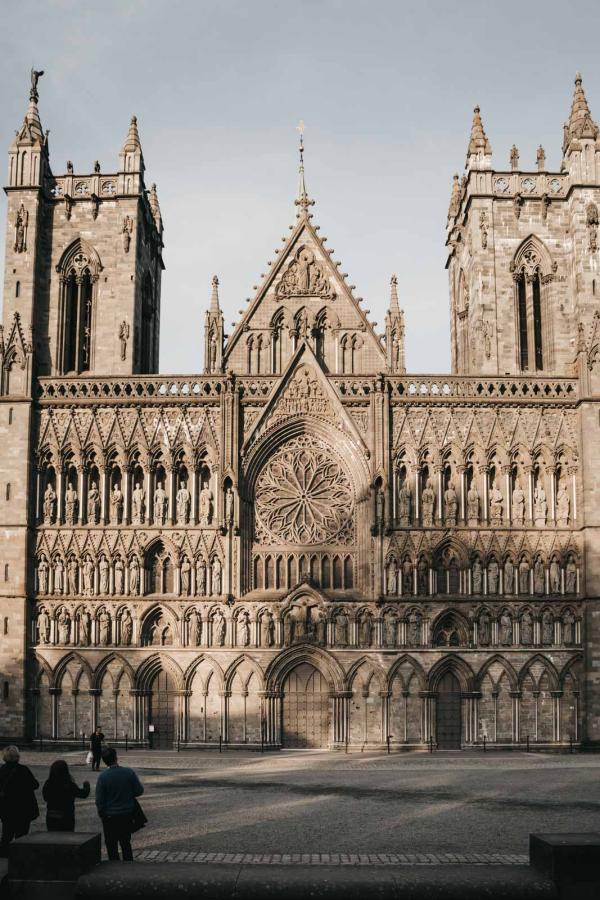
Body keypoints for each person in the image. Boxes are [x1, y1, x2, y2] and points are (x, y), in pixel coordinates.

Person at [95, 747, 144, 862]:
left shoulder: (103, 777)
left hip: (110, 816)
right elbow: (139, 791)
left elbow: (99, 800)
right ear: (116, 758)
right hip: (126, 814)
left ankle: (114, 868)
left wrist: (102, 814)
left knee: (111, 846)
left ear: (104, 761)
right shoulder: (128, 772)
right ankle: (128, 868)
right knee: (126, 843)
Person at [0, 746, 39, 857]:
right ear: (17, 756)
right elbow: (35, 785)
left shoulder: (1, 771)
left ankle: (4, 858)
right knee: (21, 836)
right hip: (23, 809)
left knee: (6, 834)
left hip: (6, 809)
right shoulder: (23, 770)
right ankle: (19, 859)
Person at [42, 760, 90, 832]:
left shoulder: (48, 783)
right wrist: (86, 786)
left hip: (52, 815)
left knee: (52, 838)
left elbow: (45, 797)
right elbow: (83, 794)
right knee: (67, 838)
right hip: (66, 815)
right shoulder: (69, 784)